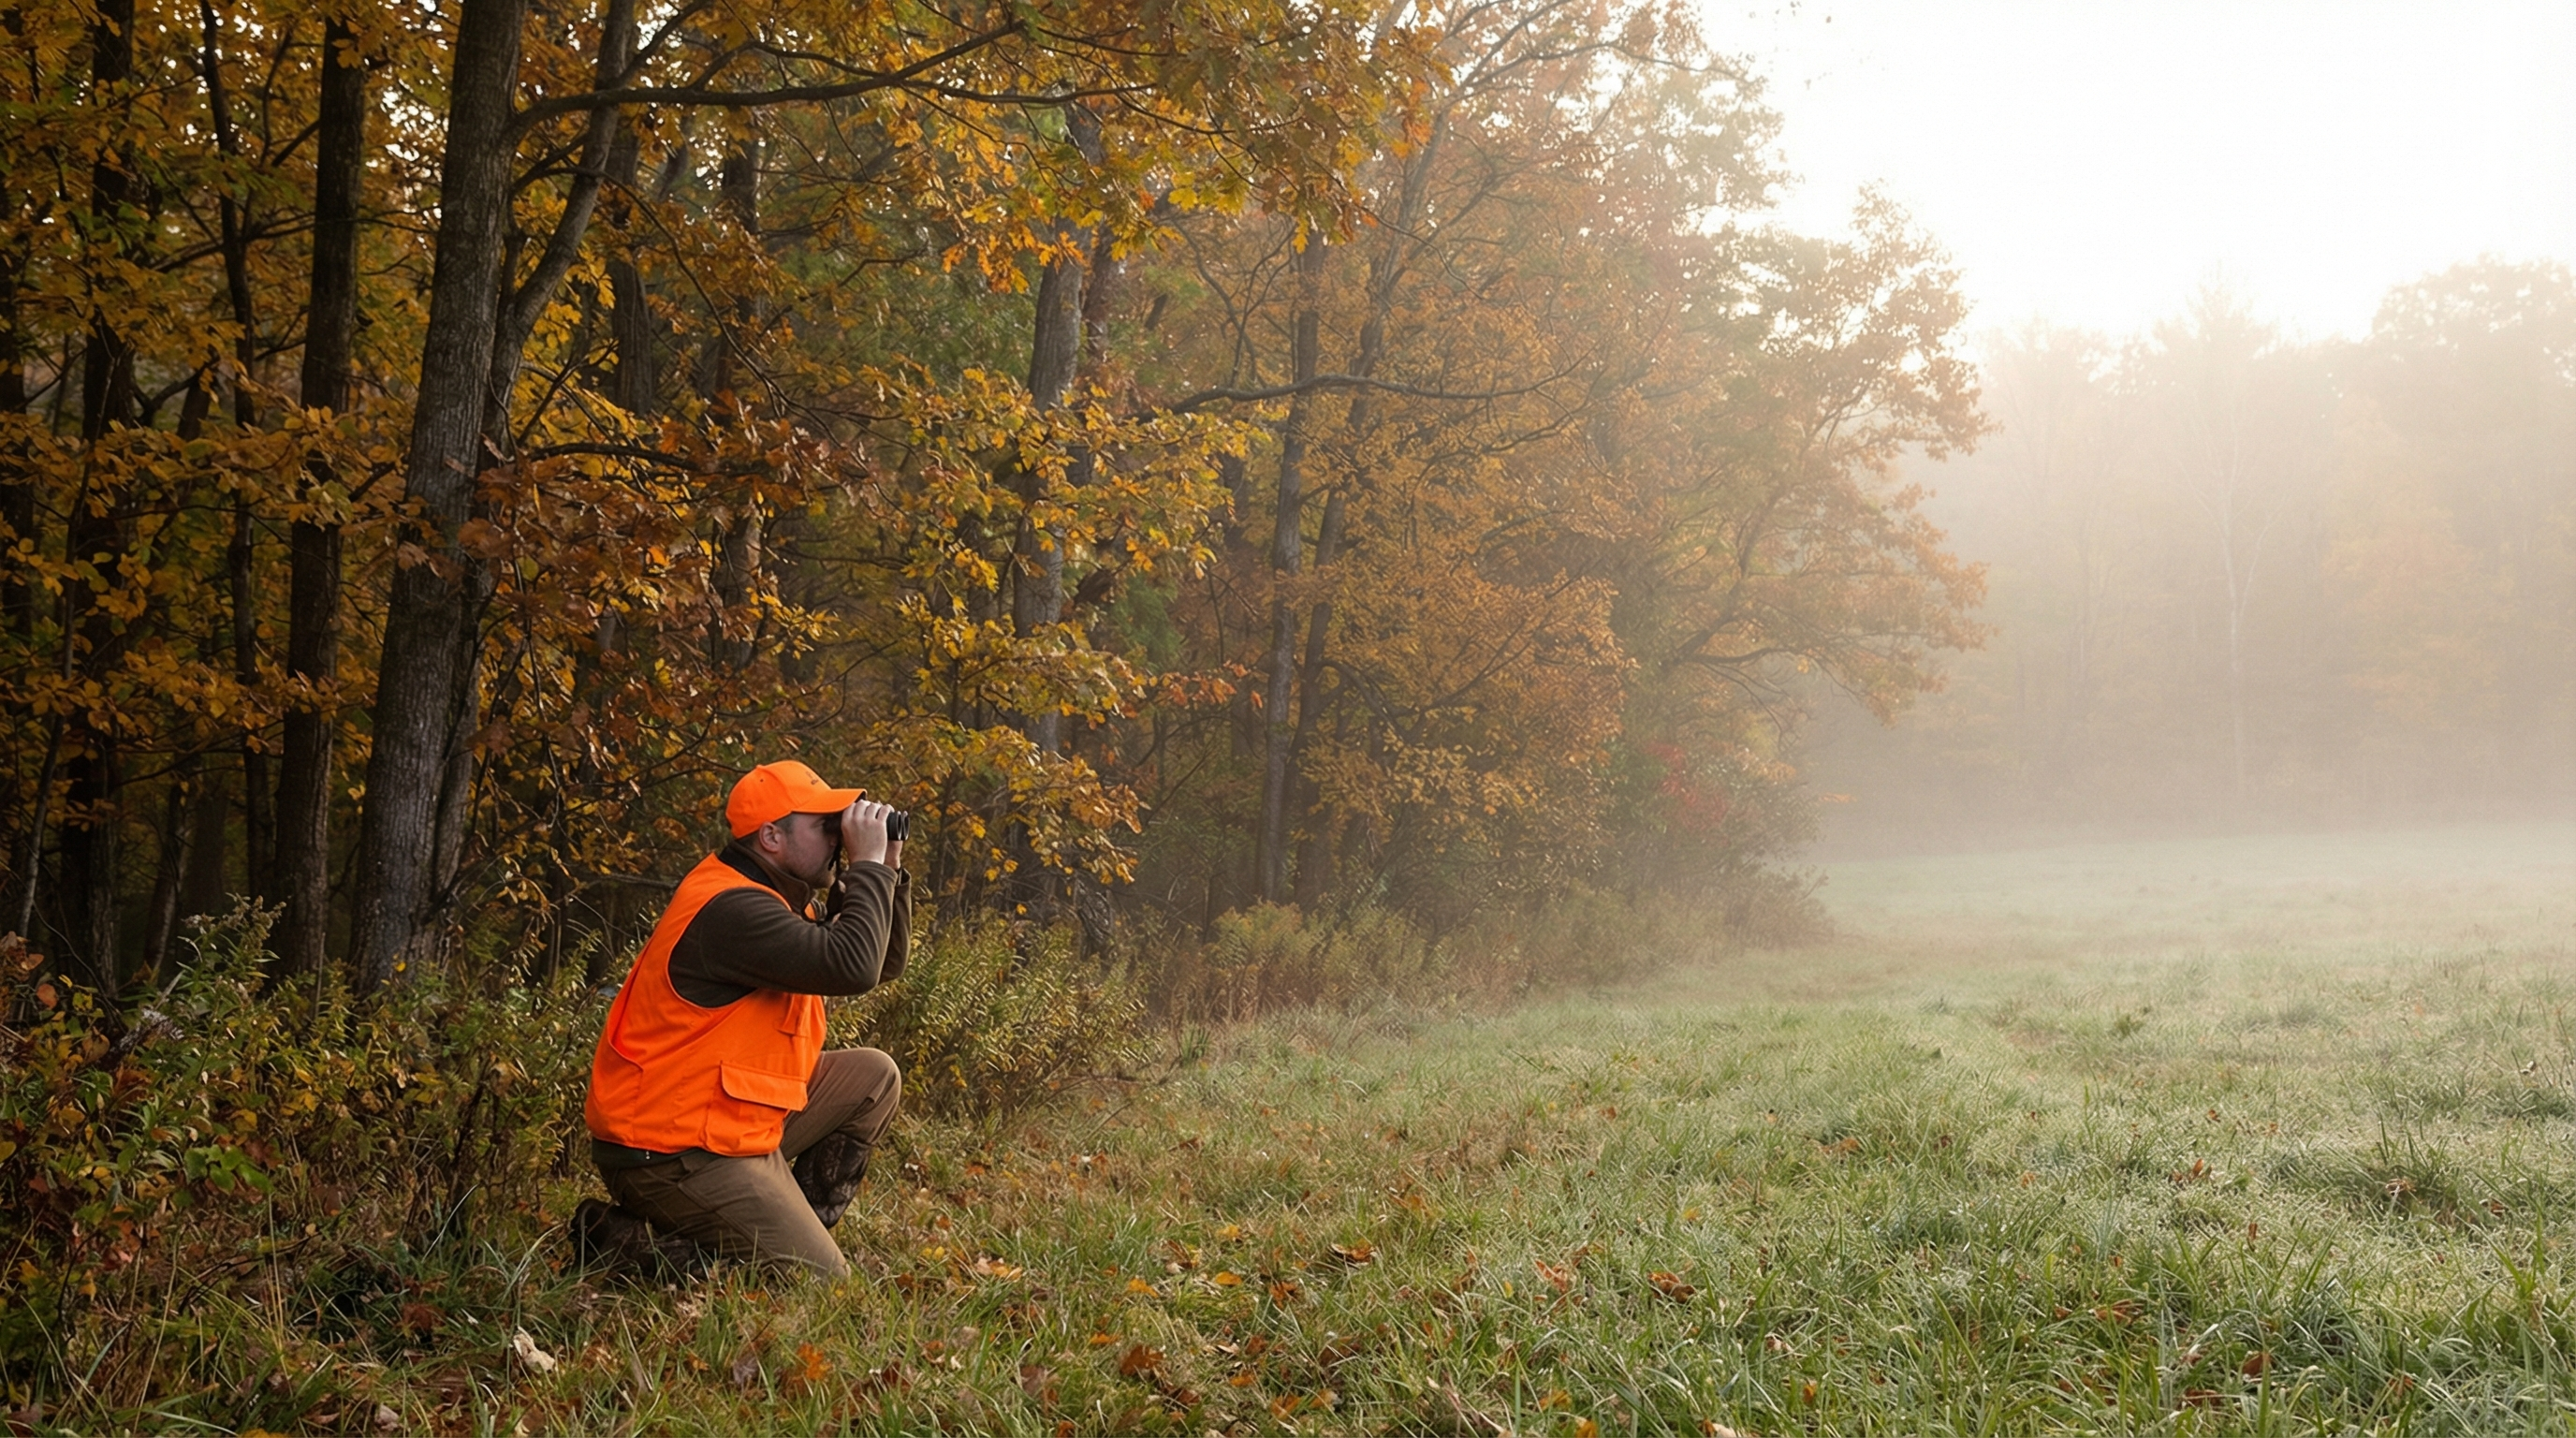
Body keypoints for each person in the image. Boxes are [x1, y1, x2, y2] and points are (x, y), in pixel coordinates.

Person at [572, 759, 910, 1280]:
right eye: (825, 825)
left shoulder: (779, 898)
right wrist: (866, 866)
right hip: (669, 1153)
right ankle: (619, 1243)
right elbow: (853, 966)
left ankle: (788, 1228)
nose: (837, 836)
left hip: (730, 1127)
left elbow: (882, 962)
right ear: (771, 836)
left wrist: (887, 864)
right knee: (819, 1282)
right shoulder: (732, 909)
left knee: (874, 1077)